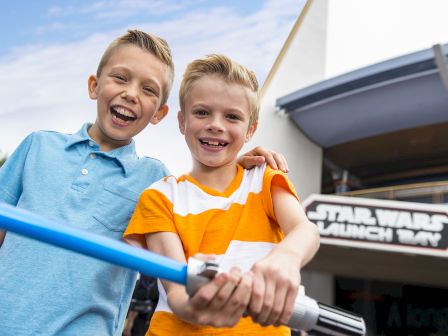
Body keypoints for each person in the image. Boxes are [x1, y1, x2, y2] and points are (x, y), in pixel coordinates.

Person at [0, 30, 288, 336]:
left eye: (148, 89)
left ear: (160, 114)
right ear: (94, 86)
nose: (131, 94)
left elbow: (201, 189)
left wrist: (236, 164)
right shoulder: (38, 146)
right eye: (120, 78)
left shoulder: (154, 180)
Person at [123, 54, 320, 335]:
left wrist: (286, 257)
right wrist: (196, 307)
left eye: (232, 116)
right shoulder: (160, 197)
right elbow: (177, 295)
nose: (216, 124)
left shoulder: (264, 180)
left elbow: (305, 230)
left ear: (251, 129)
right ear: (182, 121)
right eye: (202, 112)